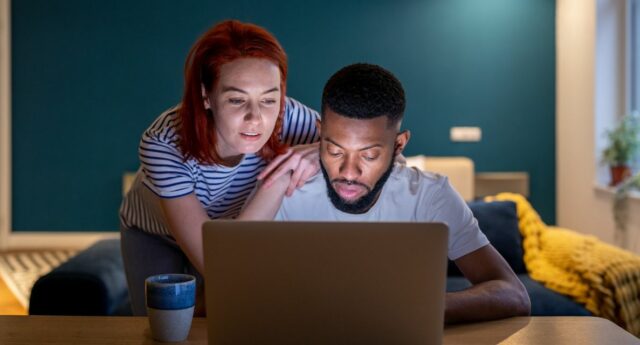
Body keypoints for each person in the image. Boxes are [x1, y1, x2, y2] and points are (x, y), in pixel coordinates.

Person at [242, 63, 531, 323]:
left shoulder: (430, 195)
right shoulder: (283, 188)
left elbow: (513, 294)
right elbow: (232, 288)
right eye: (334, 150)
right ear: (320, 132)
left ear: (399, 145)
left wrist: (418, 309)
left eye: (368, 156)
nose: (348, 172)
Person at [119, 20, 321, 316]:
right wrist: (283, 173)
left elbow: (382, 150)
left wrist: (324, 149)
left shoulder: (288, 116)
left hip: (234, 225)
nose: (256, 118)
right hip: (155, 234)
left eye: (269, 99)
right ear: (206, 96)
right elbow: (222, 266)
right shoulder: (162, 144)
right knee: (166, 326)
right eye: (237, 100)